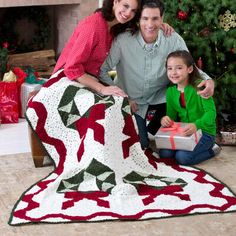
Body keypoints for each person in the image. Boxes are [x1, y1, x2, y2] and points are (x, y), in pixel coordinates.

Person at [99, 0, 215, 150]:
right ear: (138, 19)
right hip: (132, 102)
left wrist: (208, 80)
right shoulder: (123, 41)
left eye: (155, 18)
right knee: (141, 145)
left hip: (160, 99)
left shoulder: (173, 39)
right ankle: (144, 131)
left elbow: (190, 67)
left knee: (169, 133)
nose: (150, 24)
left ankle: (165, 132)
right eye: (145, 18)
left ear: (162, 19)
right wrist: (123, 96)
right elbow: (104, 70)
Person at [159, 50, 217, 165]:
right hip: (184, 132)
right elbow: (171, 117)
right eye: (170, 68)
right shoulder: (170, 91)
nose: (173, 72)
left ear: (189, 69)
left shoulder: (200, 86)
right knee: (165, 153)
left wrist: (197, 125)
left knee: (183, 157)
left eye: (179, 68)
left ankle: (212, 150)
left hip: (205, 132)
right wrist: (165, 120)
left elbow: (211, 114)